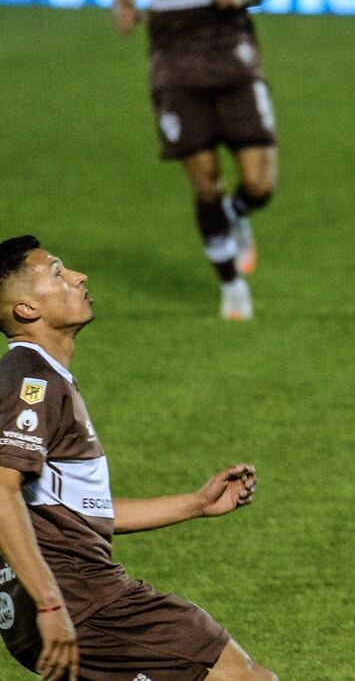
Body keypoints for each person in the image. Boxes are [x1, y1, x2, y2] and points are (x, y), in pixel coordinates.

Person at [0, 236, 275, 680]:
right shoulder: (32, 381)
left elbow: (79, 509)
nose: (78, 277)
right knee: (243, 676)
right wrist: (51, 604)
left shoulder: (41, 379)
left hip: (53, 608)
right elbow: (0, 490)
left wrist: (196, 504)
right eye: (56, 273)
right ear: (27, 309)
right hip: (84, 601)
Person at [113, 0, 281, 321]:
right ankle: (231, 284)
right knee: (206, 182)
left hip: (233, 59)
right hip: (175, 68)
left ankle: (240, 214)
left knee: (260, 185)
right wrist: (124, 8)